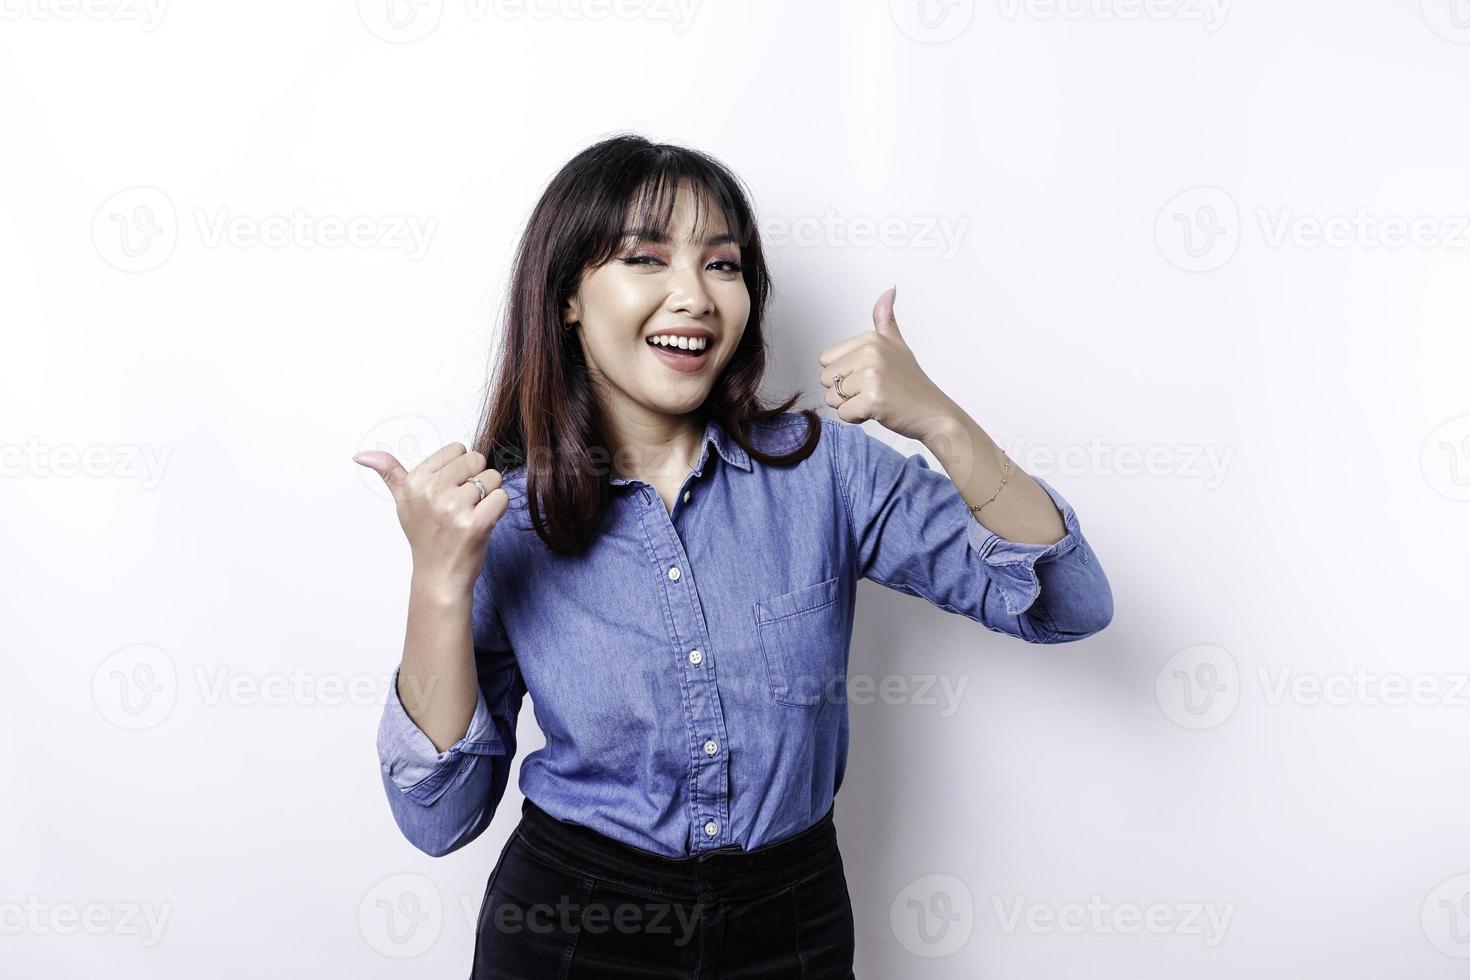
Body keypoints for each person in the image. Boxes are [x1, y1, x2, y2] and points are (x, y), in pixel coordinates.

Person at [353, 133, 1114, 979]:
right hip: (569, 932)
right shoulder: (505, 520)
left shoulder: (827, 471)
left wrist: (940, 419)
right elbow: (438, 819)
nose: (696, 296)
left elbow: (1067, 604)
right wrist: (438, 582)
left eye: (723, 266)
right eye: (647, 258)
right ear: (567, 296)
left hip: (792, 928)